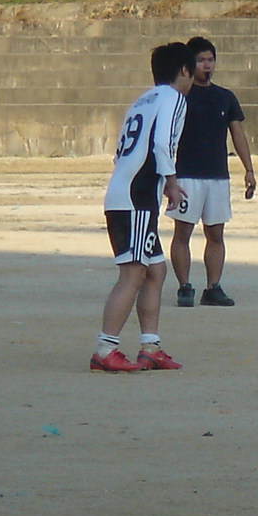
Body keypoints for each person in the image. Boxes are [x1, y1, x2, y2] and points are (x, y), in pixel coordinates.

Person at [92, 42, 195, 373]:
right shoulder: (174, 98)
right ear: (184, 70)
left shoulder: (141, 100)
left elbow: (121, 152)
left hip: (127, 193)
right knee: (134, 272)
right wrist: (172, 181)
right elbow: (163, 143)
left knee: (156, 270)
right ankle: (105, 349)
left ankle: (151, 346)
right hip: (136, 198)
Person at [167, 35, 256, 307]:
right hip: (187, 175)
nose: (207, 65)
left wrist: (249, 169)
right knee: (182, 233)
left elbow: (238, 134)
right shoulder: (178, 98)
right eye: (201, 60)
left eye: (210, 59)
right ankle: (184, 286)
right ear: (189, 64)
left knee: (215, 234)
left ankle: (213, 286)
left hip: (217, 176)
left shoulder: (225, 97)